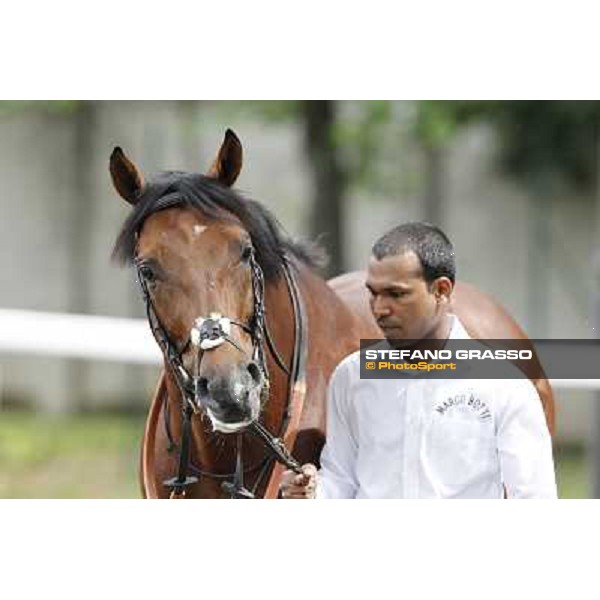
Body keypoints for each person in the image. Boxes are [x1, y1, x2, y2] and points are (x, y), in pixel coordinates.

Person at [279, 222, 557, 499]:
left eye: (396, 294)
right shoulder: (351, 377)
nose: (379, 308)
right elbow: (341, 481)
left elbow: (534, 499)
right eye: (373, 293)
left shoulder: (505, 386)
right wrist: (312, 492)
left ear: (441, 291)